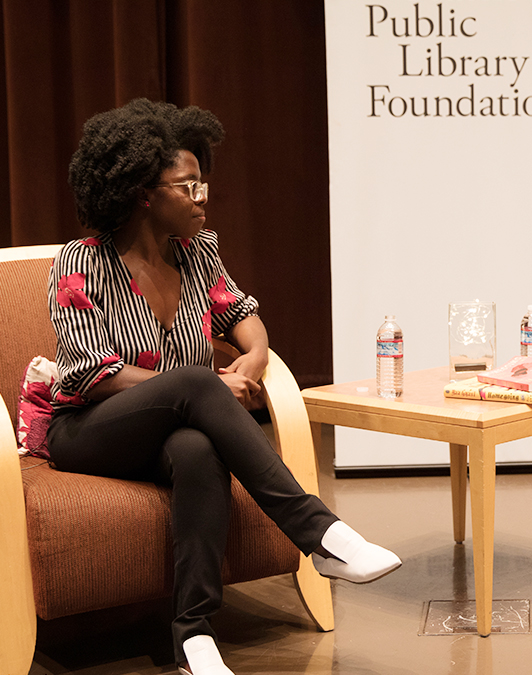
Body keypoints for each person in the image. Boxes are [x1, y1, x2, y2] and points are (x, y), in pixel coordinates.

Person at [46, 99, 401, 675]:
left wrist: (254, 359)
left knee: (197, 447)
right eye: (187, 188)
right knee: (193, 384)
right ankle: (320, 533)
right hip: (86, 429)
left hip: (171, 429)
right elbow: (91, 373)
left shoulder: (197, 254)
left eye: (202, 185)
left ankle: (193, 636)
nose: (201, 199)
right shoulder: (83, 262)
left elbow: (242, 315)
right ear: (142, 193)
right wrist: (204, 386)